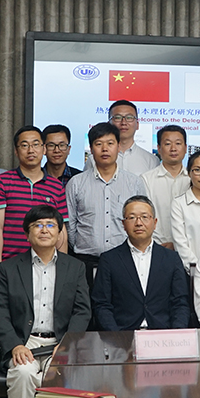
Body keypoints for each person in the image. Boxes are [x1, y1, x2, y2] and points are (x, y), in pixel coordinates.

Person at [0, 205, 91, 398]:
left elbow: (82, 311)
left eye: (50, 225)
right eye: (37, 225)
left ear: (60, 233)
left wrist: (67, 344)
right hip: (25, 342)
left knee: (59, 373)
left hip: (59, 342)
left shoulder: (75, 267)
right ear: (27, 235)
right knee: (23, 373)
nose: (44, 230)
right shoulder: (9, 268)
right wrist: (15, 345)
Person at [91, 196, 190, 330]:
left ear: (154, 222)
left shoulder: (171, 258)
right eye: (132, 217)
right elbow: (101, 305)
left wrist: (175, 334)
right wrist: (116, 336)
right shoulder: (109, 260)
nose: (138, 223)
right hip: (123, 336)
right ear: (123, 224)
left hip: (162, 335)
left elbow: (180, 303)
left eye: (144, 217)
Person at [66, 122, 145, 288]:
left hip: (124, 260)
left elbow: (141, 220)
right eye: (98, 144)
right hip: (85, 262)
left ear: (118, 146)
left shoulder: (134, 183)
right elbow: (70, 225)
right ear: (91, 148)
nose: (104, 149)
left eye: (110, 143)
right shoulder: (76, 183)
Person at [0, 126, 68, 264]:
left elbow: (61, 231)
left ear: (44, 149)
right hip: (10, 263)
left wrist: (62, 266)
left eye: (36, 144)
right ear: (16, 151)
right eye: (24, 145)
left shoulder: (56, 186)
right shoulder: (2, 182)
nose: (31, 150)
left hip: (46, 263)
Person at [141, 125, 189, 250]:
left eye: (178, 143)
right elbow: (144, 215)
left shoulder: (194, 179)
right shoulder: (146, 179)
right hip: (156, 247)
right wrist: (158, 244)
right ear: (159, 148)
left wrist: (178, 244)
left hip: (189, 248)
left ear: (185, 148)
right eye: (167, 144)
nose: (173, 149)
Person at [84, 100, 159, 175]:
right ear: (108, 124)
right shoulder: (93, 160)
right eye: (117, 117)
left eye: (129, 117)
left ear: (137, 124)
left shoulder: (151, 160)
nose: (123, 122)